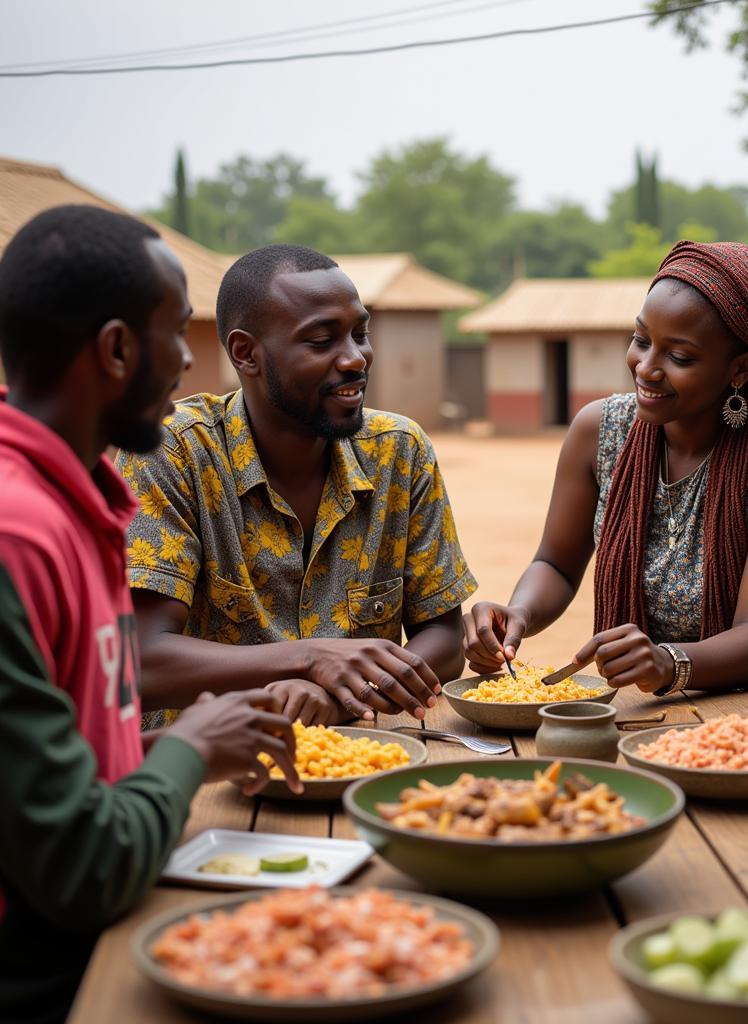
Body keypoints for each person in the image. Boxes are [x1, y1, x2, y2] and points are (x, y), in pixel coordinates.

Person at [0, 205, 301, 1024]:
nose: (189, 360)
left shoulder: (76, 502)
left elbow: (63, 765)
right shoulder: (17, 536)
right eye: (178, 333)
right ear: (117, 349)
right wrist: (194, 748)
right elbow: (81, 865)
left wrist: (172, 745)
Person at [117, 244, 476, 728]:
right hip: (207, 771)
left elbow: (445, 637)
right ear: (246, 353)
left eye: (360, 334)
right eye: (321, 340)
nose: (355, 359)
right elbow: (141, 657)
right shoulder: (175, 452)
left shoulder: (400, 451)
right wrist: (308, 658)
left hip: (361, 756)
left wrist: (336, 698)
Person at [466, 241, 748, 696]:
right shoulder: (600, 431)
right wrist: (519, 613)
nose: (646, 368)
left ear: (741, 367)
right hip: (644, 704)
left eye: (679, 356)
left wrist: (668, 662)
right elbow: (556, 564)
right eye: (641, 340)